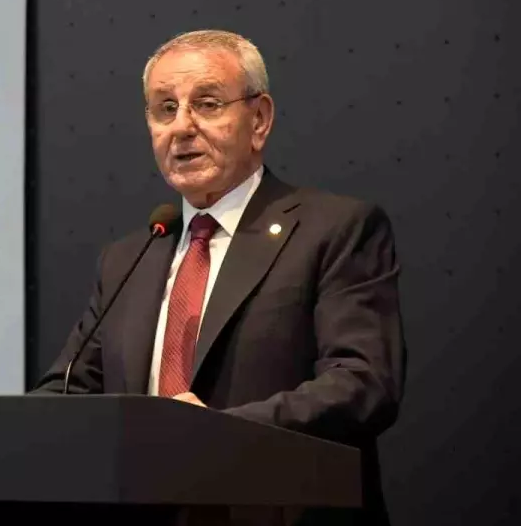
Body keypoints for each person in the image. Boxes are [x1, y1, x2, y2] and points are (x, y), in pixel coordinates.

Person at [33, 30, 406, 525]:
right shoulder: (128, 258)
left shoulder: (334, 230)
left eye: (207, 104)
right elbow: (67, 393)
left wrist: (217, 433)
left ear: (259, 119)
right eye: (165, 109)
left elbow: (362, 384)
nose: (182, 127)